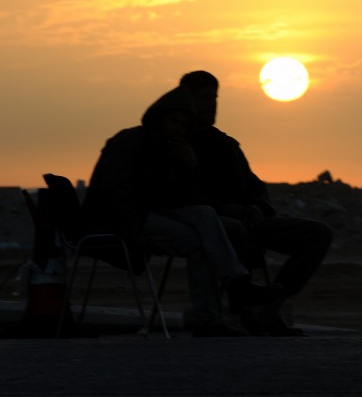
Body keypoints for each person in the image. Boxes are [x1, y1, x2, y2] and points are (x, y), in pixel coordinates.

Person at [84, 85, 281, 336]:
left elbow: (181, 198)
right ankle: (213, 314)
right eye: (173, 121)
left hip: (155, 212)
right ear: (159, 119)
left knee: (205, 214)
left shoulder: (172, 149)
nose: (177, 128)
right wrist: (132, 230)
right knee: (199, 243)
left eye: (182, 124)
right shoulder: (130, 141)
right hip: (120, 219)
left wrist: (190, 167)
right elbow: (115, 192)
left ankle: (234, 285)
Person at [179, 70, 333, 336]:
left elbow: (254, 184)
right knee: (233, 231)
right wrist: (222, 208)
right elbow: (175, 194)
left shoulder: (225, 144)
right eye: (205, 98)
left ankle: (271, 303)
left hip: (249, 219)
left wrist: (257, 206)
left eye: (214, 98)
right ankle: (244, 310)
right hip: (209, 223)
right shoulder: (176, 145)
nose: (211, 104)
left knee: (318, 234)